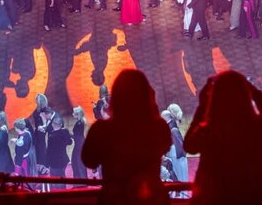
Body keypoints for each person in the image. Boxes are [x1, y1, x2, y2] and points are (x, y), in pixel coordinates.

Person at [185, 71, 262, 205]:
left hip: (215, 197)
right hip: (252, 195)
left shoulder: (209, 131)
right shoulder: (254, 128)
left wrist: (203, 105)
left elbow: (189, 145)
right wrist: (256, 94)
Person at [82, 69, 171, 205]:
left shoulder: (102, 129)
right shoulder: (158, 127)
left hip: (115, 199)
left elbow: (89, 160)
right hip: (151, 198)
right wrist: (152, 106)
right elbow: (165, 145)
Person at [46, 114, 72, 189]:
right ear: (61, 125)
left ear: (52, 125)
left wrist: (47, 163)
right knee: (62, 176)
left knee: (54, 178)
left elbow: (49, 151)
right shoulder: (65, 132)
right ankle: (63, 190)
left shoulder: (51, 137)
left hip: (54, 162)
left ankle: (57, 191)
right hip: (63, 160)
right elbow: (70, 142)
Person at [71, 106, 87, 179]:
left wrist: (68, 134)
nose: (72, 114)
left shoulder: (79, 123)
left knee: (78, 163)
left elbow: (76, 136)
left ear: (78, 114)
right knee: (76, 162)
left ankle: (81, 180)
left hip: (79, 144)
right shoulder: (80, 122)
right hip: (80, 143)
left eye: (74, 113)